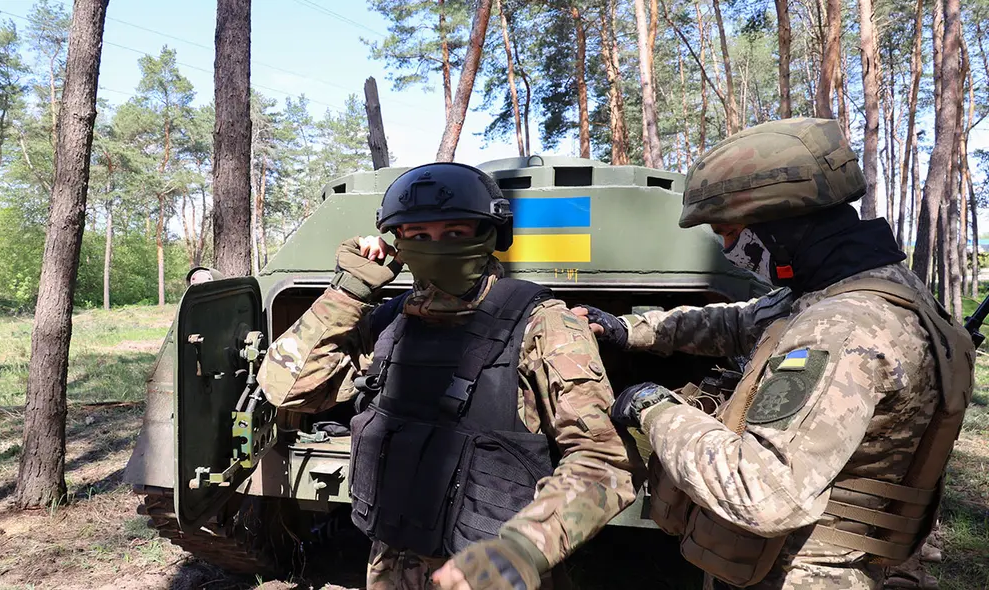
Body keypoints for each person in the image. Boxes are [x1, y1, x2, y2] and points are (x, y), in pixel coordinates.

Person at [574, 117, 975, 590]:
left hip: (807, 574)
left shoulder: (840, 329)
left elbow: (760, 491)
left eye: (729, 231)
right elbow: (742, 321)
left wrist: (654, 408)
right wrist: (628, 330)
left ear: (783, 225)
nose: (727, 249)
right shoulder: (870, 290)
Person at [256, 162, 636, 590]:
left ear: (492, 235)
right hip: (390, 567)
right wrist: (349, 290)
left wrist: (521, 550)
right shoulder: (390, 324)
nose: (437, 249)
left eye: (455, 234)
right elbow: (286, 386)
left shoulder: (544, 326)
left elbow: (604, 464)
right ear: (397, 244)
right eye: (418, 237)